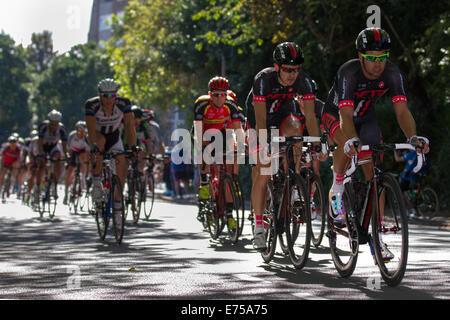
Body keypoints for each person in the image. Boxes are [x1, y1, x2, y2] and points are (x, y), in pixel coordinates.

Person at [321, 27, 430, 259]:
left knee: (375, 176)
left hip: (366, 117)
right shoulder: (348, 72)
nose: (377, 64)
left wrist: (413, 138)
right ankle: (338, 189)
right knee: (345, 145)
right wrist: (351, 141)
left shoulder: (392, 73)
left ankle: (377, 238)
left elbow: (402, 111)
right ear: (360, 56)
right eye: (371, 58)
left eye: (382, 57)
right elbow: (346, 117)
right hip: (337, 115)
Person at [246, 41, 325, 250]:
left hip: (283, 118)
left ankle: (293, 178)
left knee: (296, 127)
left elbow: (310, 116)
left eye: (296, 70)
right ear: (277, 66)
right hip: (258, 120)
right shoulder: (263, 79)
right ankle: (259, 228)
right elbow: (261, 120)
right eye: (288, 69)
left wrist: (317, 145)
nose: (292, 74)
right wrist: (264, 146)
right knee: (264, 170)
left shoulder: (304, 81)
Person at [193, 76, 245, 230]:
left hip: (221, 133)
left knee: (228, 165)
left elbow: (238, 129)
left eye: (222, 94)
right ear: (210, 94)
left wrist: (242, 147)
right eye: (216, 94)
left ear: (226, 95)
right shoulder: (201, 104)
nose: (219, 98)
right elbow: (197, 132)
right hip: (203, 131)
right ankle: (204, 183)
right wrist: (204, 147)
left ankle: (228, 213)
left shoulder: (231, 105)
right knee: (204, 156)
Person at [85, 78, 137, 213]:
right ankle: (96, 182)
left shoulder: (123, 103)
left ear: (116, 95)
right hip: (97, 135)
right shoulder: (92, 105)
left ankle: (118, 203)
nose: (109, 99)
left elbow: (130, 127)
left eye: (112, 95)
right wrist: (93, 146)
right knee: (100, 142)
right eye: (105, 95)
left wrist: (133, 147)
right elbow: (90, 130)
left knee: (121, 166)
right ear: (99, 95)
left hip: (114, 136)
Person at [35, 109, 68, 194]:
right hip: (43, 146)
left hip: (53, 146)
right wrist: (41, 154)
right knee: (42, 165)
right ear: (49, 121)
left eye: (56, 124)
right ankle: (38, 186)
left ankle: (55, 184)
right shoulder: (43, 126)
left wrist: (66, 155)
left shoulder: (62, 129)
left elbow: (64, 145)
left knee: (58, 159)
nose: (54, 126)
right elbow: (40, 142)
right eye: (52, 123)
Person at [394, 150, 429, 217]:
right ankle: (414, 210)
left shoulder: (410, 154)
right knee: (412, 194)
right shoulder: (420, 153)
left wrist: (395, 152)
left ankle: (407, 212)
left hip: (407, 177)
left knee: (402, 193)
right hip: (416, 176)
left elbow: (397, 159)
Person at [63, 121, 90, 205]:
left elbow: (89, 151)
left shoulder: (86, 137)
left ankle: (82, 177)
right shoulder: (72, 136)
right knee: (70, 170)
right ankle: (66, 194)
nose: (81, 134)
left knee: (85, 157)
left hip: (82, 152)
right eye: (79, 132)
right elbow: (69, 150)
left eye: (83, 132)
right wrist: (68, 160)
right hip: (73, 151)